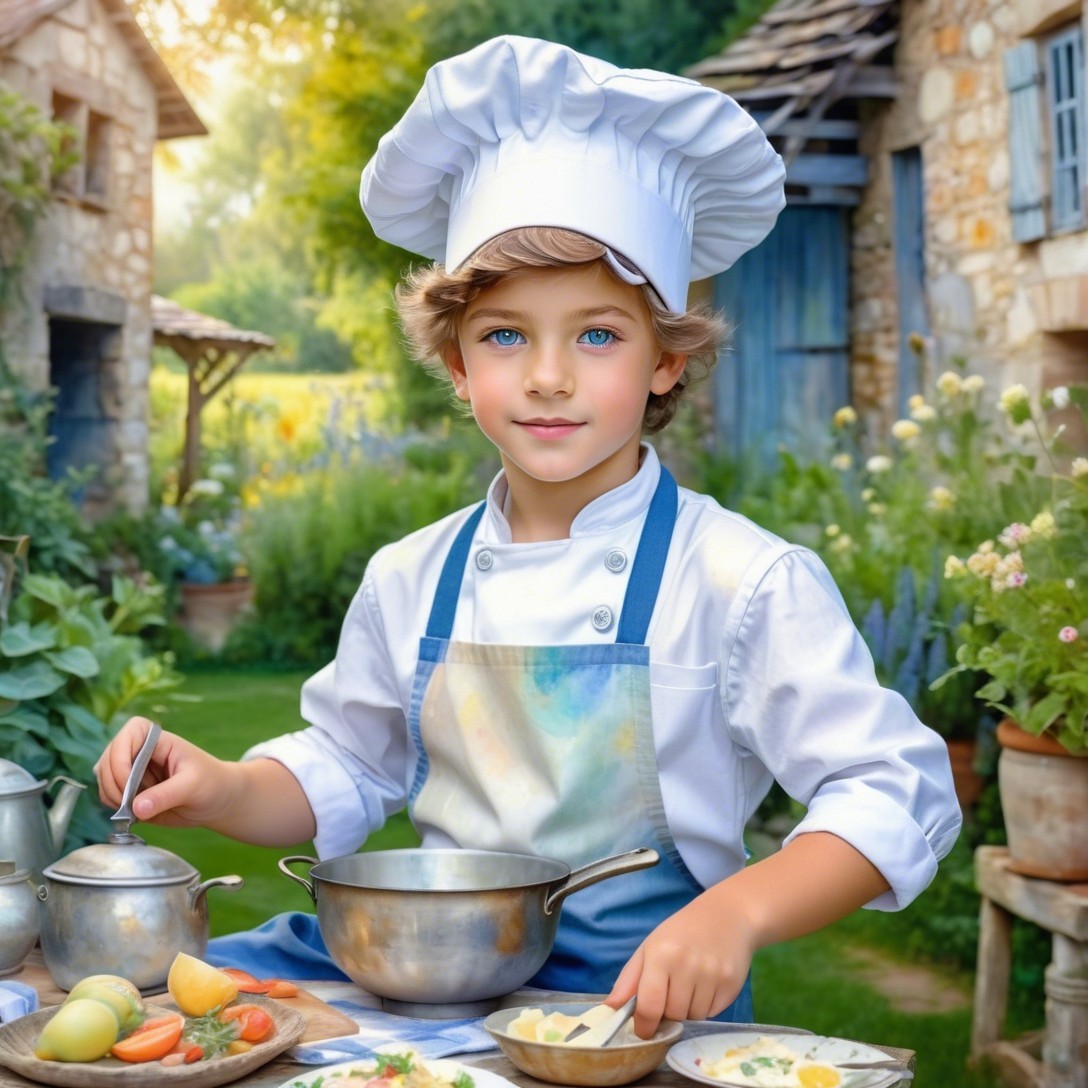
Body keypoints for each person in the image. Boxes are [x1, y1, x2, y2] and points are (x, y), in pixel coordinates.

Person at [96, 36, 961, 1037]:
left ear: (664, 361)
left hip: (630, 1006)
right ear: (458, 364)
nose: (547, 375)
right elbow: (348, 763)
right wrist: (225, 786)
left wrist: (735, 910)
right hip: (422, 980)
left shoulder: (738, 578)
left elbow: (889, 786)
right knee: (149, 1002)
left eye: (597, 333)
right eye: (506, 334)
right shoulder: (410, 574)